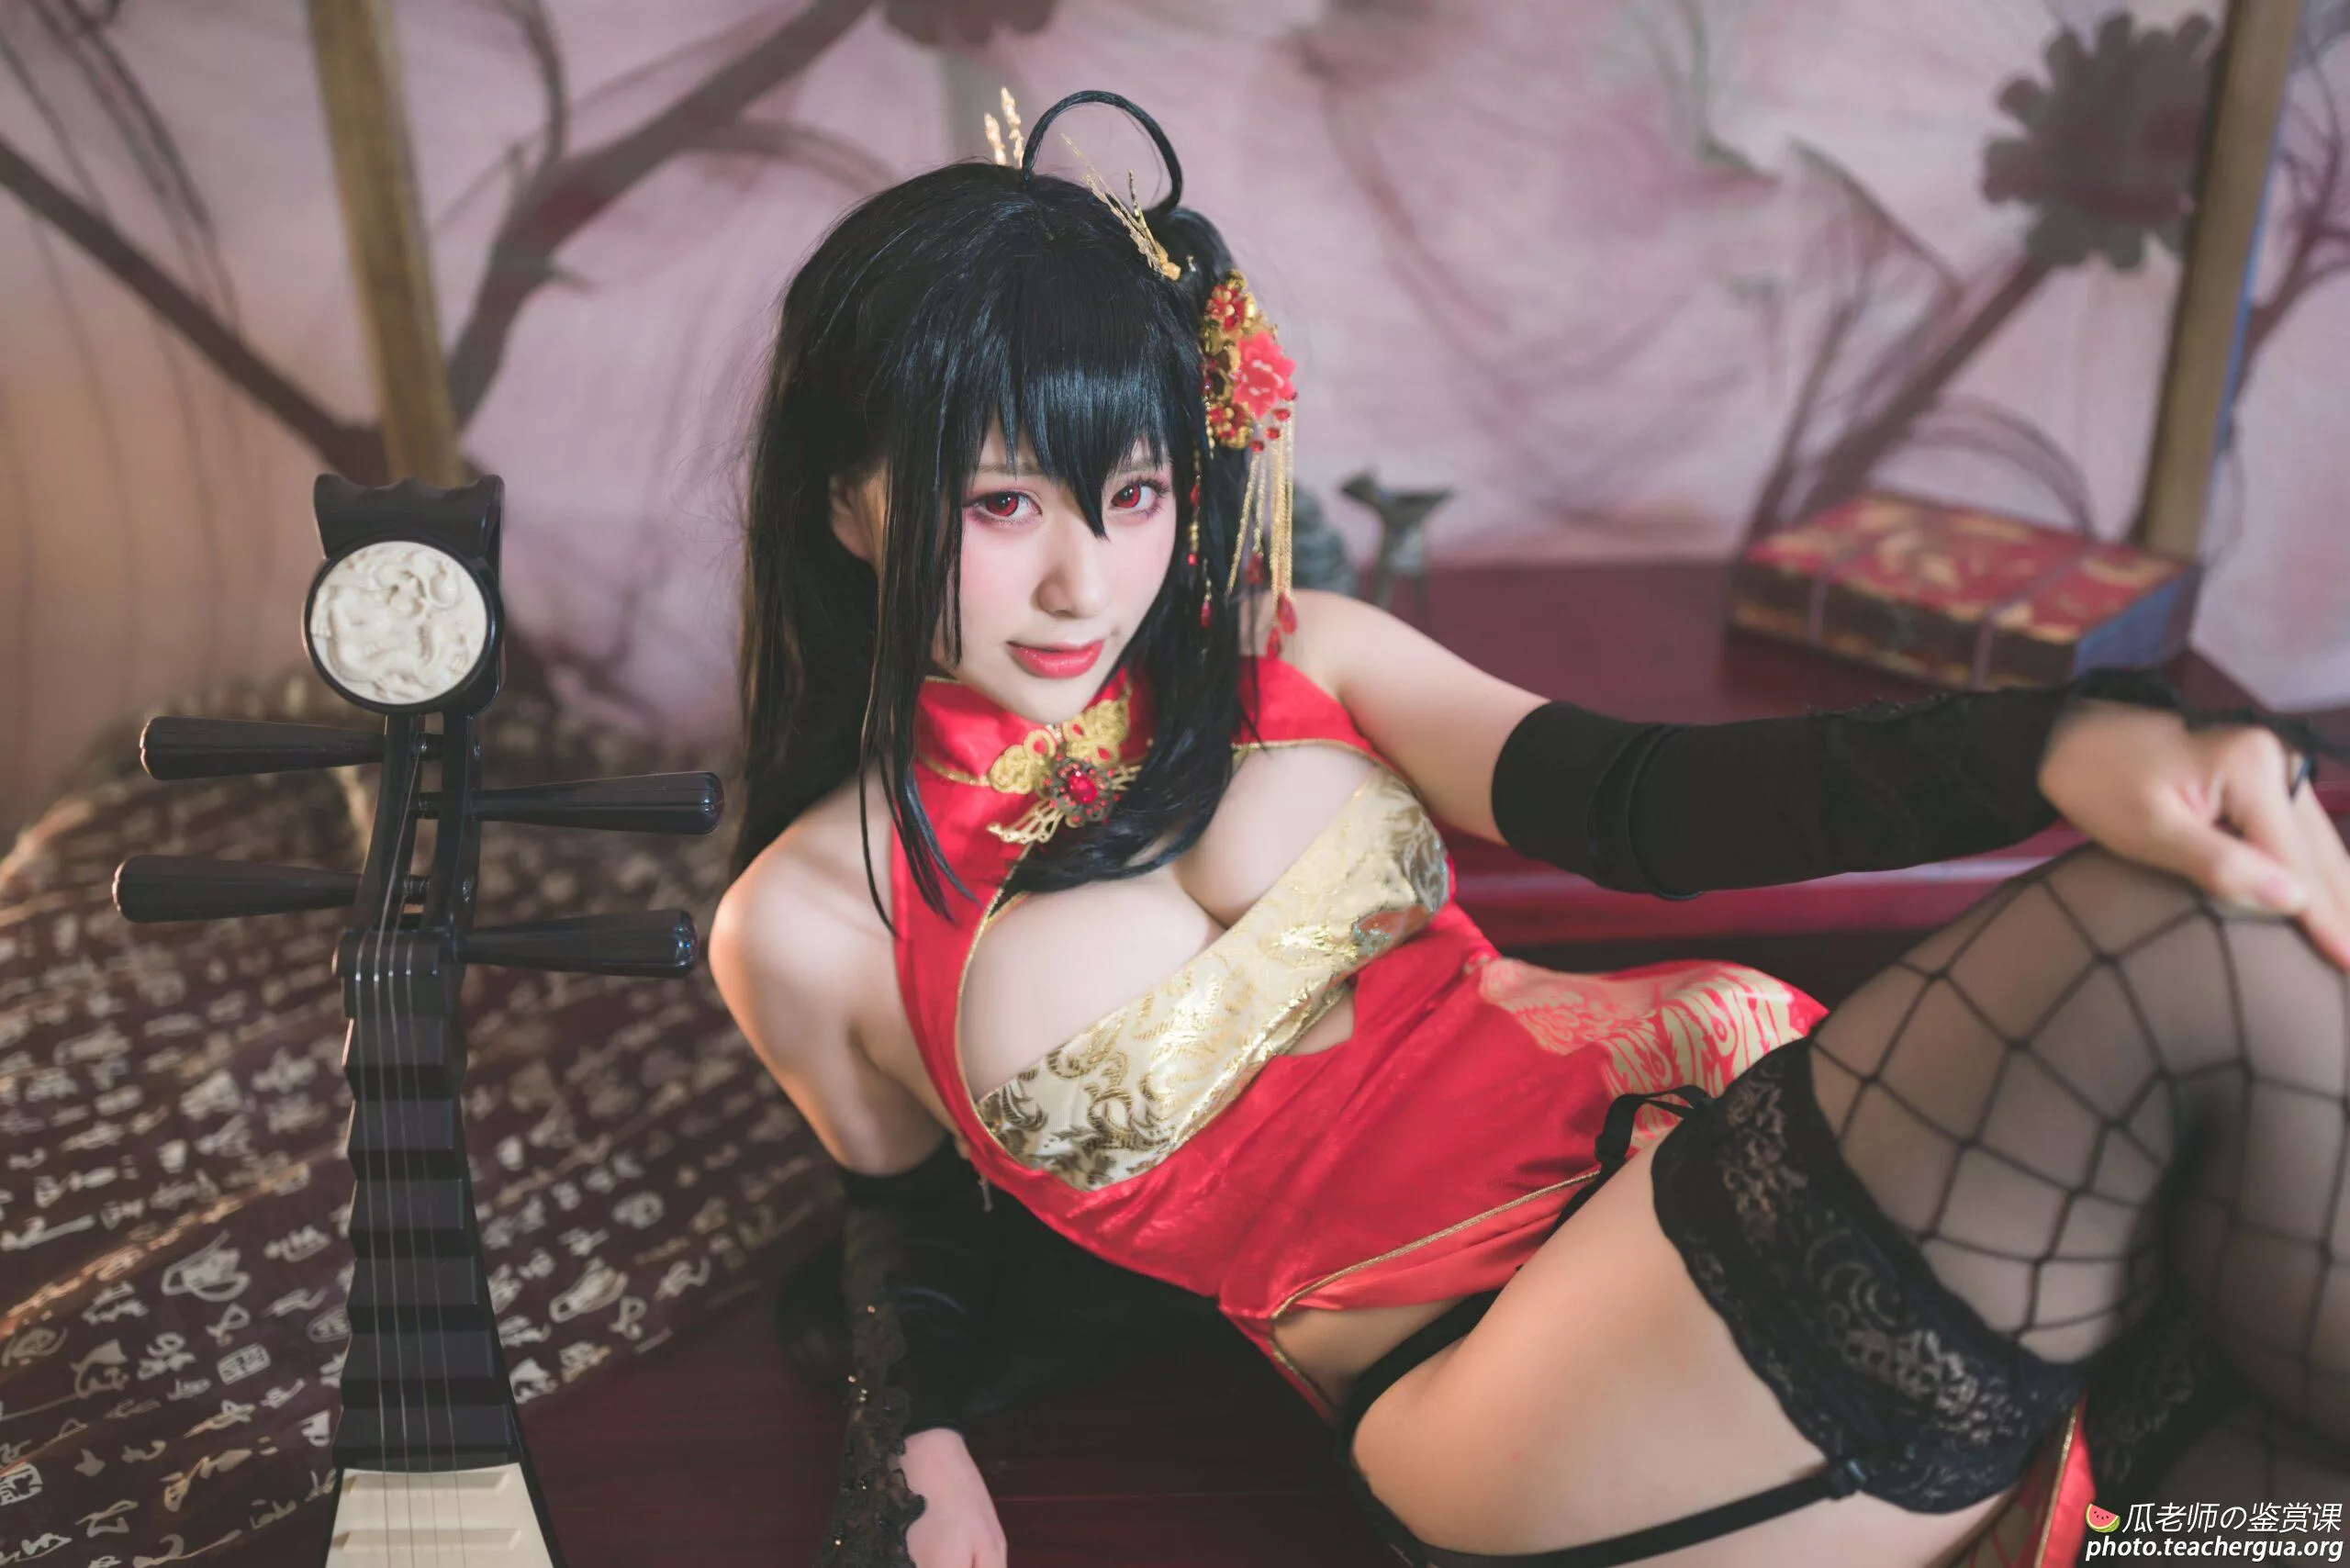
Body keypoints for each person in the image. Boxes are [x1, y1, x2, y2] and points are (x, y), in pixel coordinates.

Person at [709, 90, 2350, 1568]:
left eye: (1134, 496)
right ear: (847, 500)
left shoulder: (1304, 651)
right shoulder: (807, 921)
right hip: (1501, 1374)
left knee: (2272, 1507)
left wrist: (2048, 746)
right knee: (2176, 947)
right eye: (1003, 505)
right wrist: (908, 1433)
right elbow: (910, 1219)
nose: (1085, 585)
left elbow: (1650, 801)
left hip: (1717, 1130)